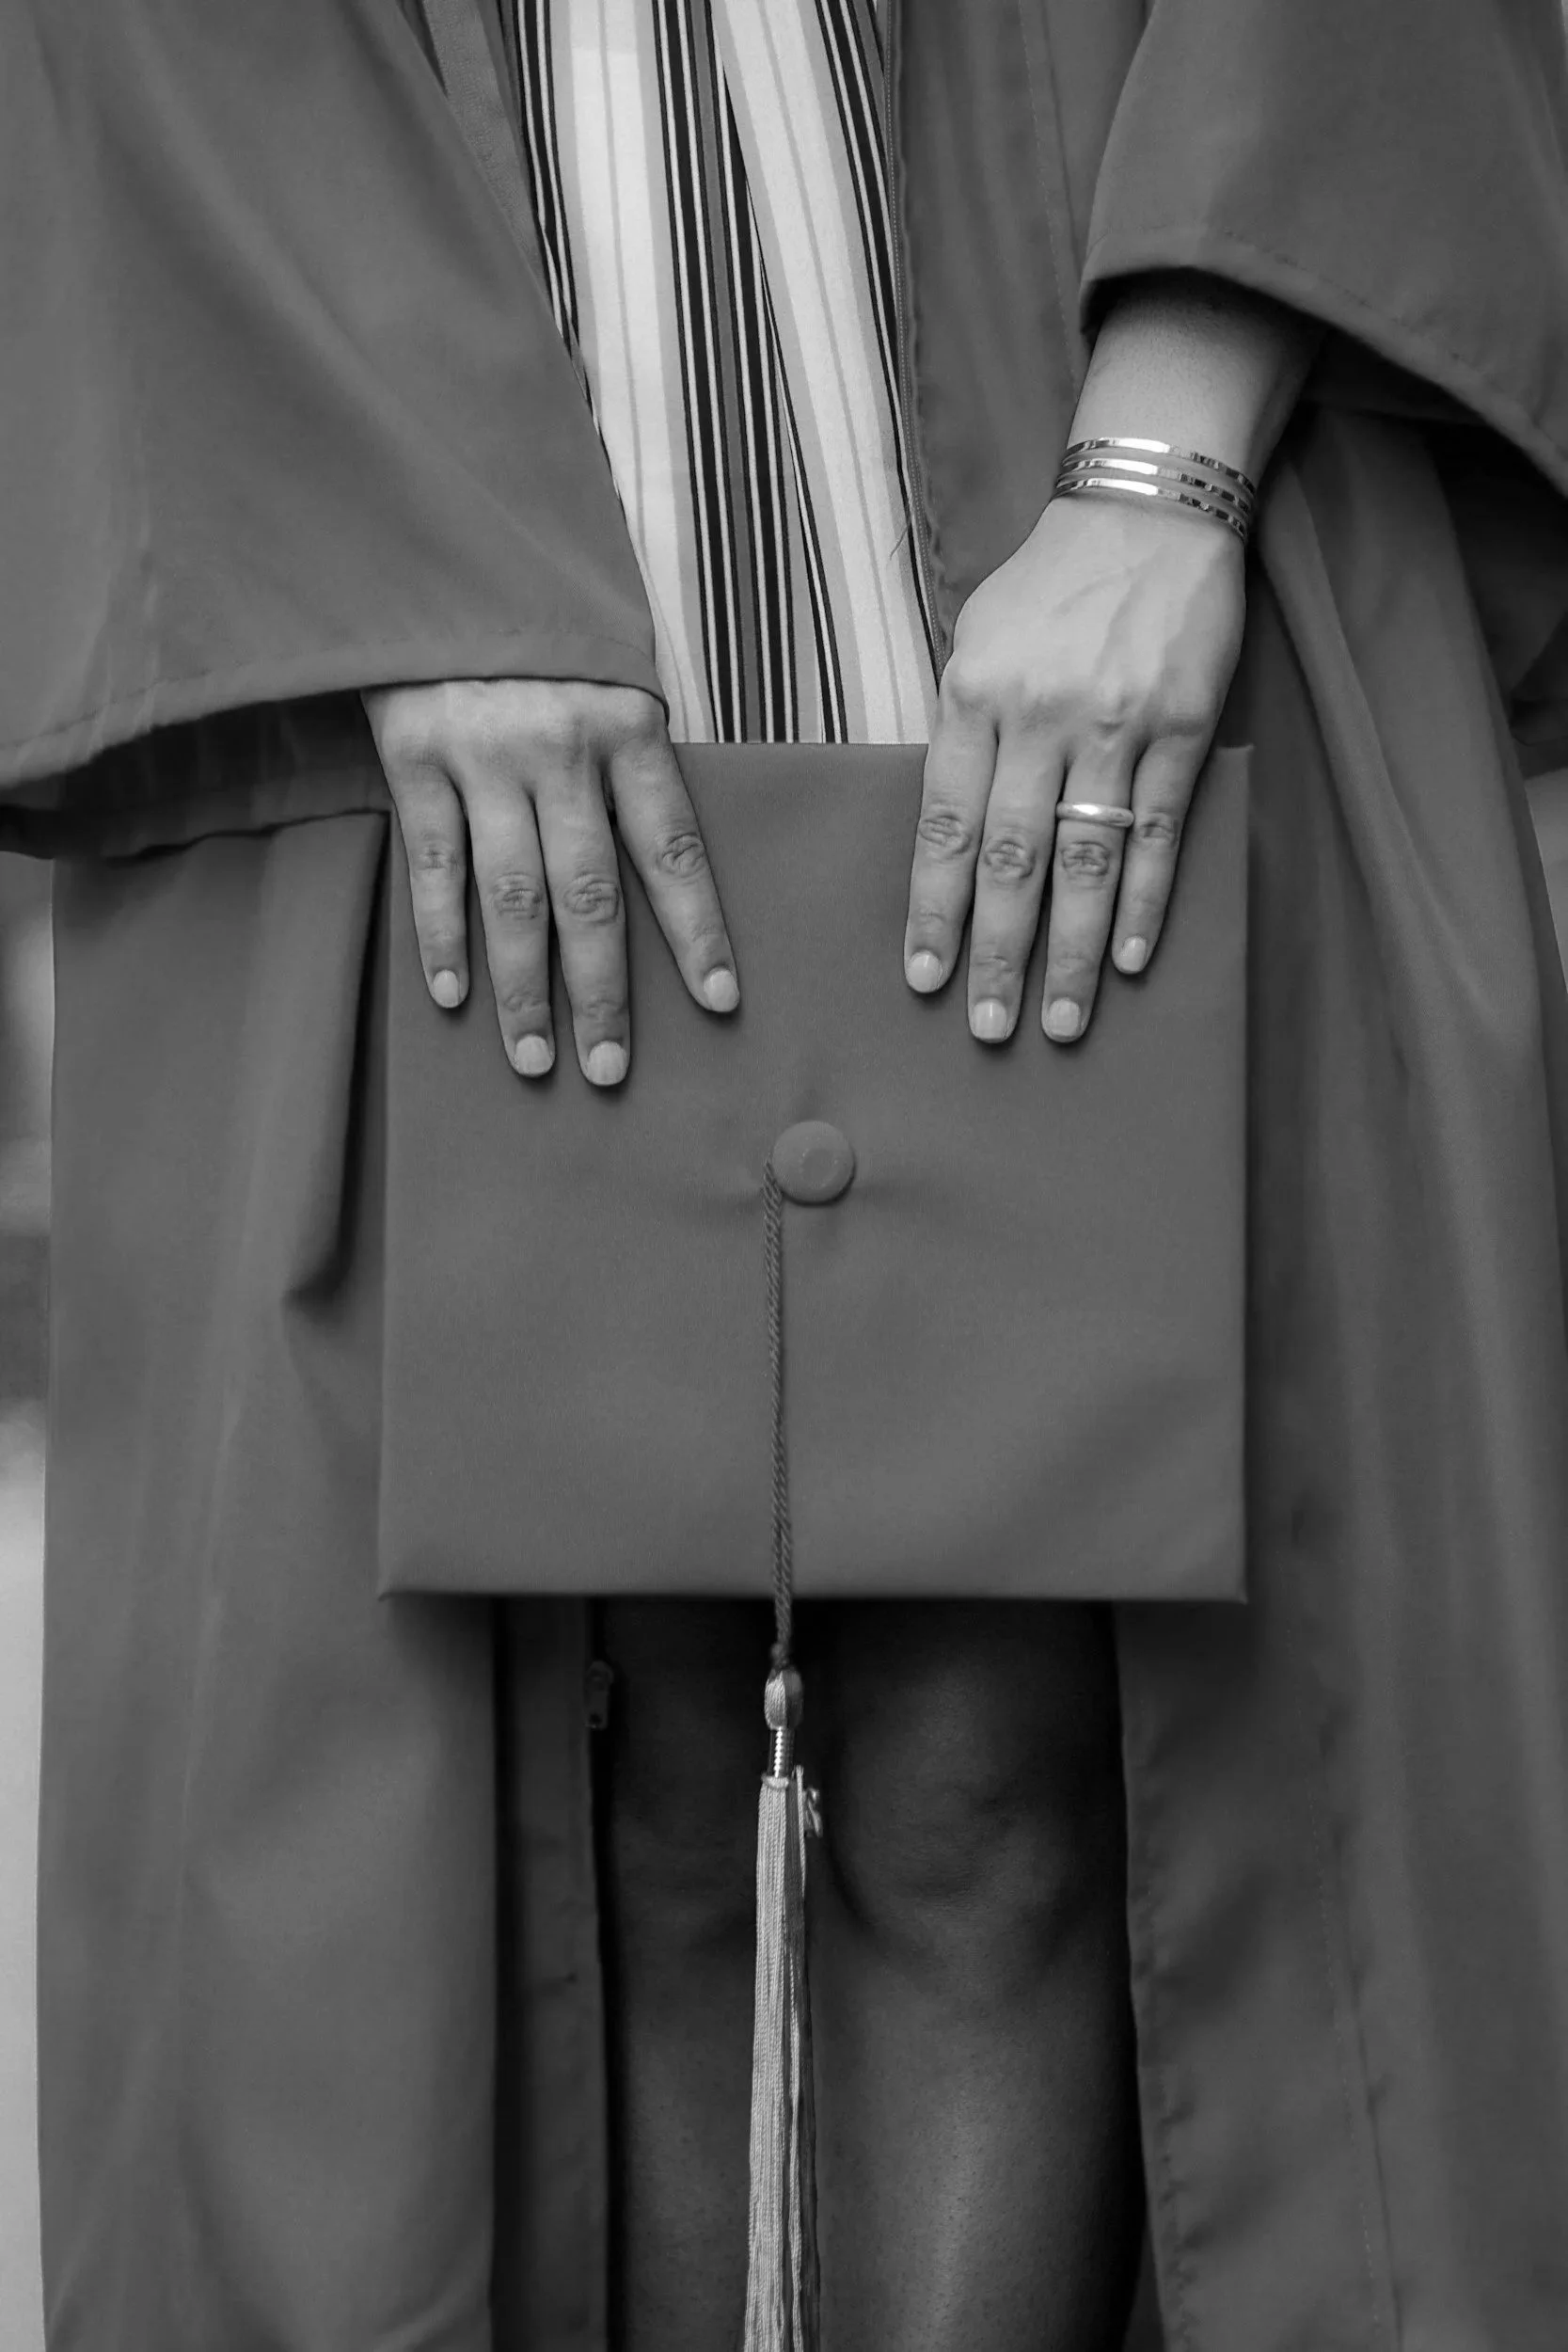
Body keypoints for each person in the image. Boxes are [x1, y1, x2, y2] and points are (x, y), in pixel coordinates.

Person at [4, 3, 1568, 2348]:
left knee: (998, 1746)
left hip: (1059, 434)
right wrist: (395, 536)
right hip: (435, 408)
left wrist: (1169, 465)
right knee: (571, 1783)